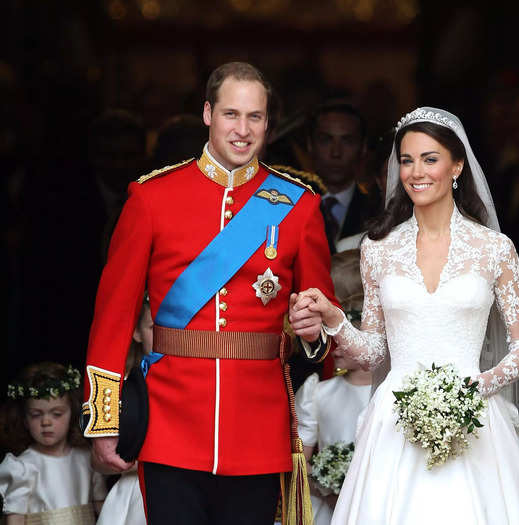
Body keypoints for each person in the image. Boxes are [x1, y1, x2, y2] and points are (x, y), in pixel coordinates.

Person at [83, 62, 336, 525]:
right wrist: (104, 420)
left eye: (254, 117)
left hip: (258, 429)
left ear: (268, 123)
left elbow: (323, 329)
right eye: (230, 115)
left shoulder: (298, 205)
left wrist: (315, 333)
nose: (242, 130)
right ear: (207, 114)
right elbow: (113, 318)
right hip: (170, 423)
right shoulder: (151, 197)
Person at [289, 107, 519, 524]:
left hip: (475, 414)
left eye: (429, 159)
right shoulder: (379, 248)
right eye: (406, 160)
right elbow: (374, 352)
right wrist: (335, 319)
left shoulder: (495, 248)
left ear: (457, 166)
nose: (416, 172)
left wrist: (478, 386)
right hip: (394, 420)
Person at [295, 250, 372, 525]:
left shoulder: (390, 394)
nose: (335, 344)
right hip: (327, 510)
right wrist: (327, 483)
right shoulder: (316, 393)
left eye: (345, 332)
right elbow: (299, 463)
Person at [0, 362, 107, 524]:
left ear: (73, 413)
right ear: (25, 420)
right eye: (36, 415)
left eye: (56, 414)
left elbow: (102, 507)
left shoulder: (87, 459)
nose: (46, 422)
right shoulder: (22, 467)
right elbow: (15, 518)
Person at [96, 299, 152, 525]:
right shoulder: (118, 388)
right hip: (132, 493)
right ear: (137, 332)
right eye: (153, 328)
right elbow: (97, 462)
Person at [307, 102, 382, 253]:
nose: (336, 152)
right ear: (310, 145)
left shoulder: (378, 212)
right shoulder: (287, 205)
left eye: (347, 141)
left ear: (363, 148)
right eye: (326, 140)